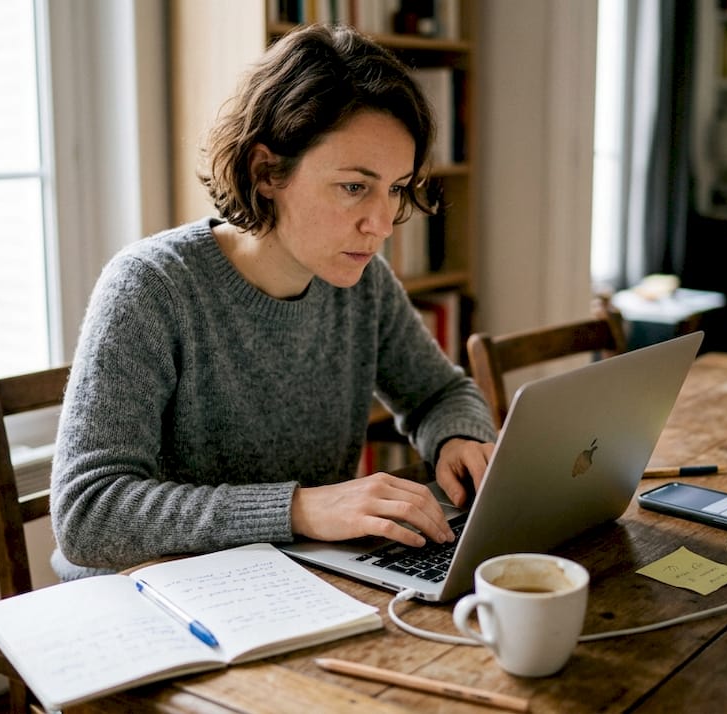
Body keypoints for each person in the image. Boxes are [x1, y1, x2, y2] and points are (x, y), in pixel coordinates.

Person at [50, 24, 497, 580]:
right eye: (354, 187)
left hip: (294, 580)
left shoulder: (364, 283)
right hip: (151, 598)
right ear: (266, 172)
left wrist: (459, 436)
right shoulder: (150, 286)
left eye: (395, 188)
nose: (382, 224)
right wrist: (298, 509)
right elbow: (88, 512)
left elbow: (438, 393)